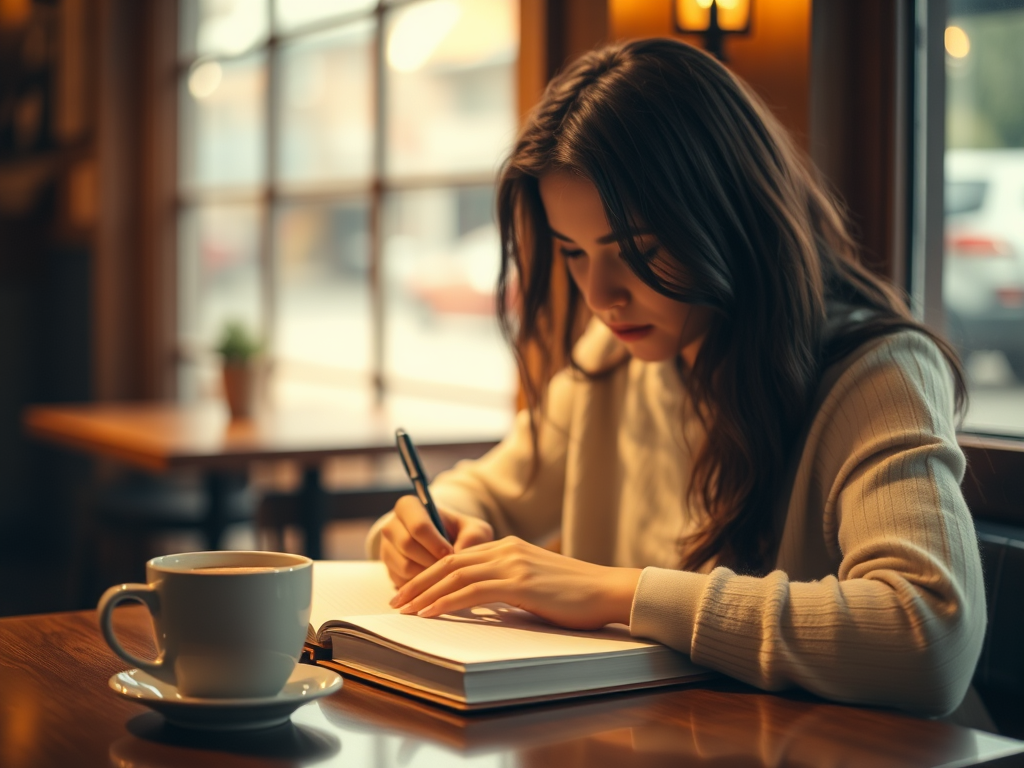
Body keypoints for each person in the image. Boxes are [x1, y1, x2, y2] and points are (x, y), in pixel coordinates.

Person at [366, 38, 985, 717]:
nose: (601, 294)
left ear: (725, 215)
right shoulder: (613, 359)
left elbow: (930, 632)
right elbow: (488, 490)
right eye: (573, 254)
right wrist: (429, 527)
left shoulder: (877, 374)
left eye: (637, 250)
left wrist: (622, 593)